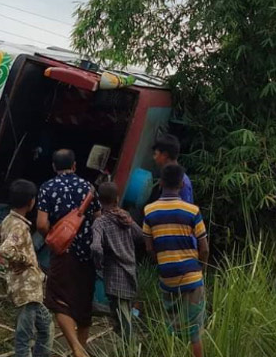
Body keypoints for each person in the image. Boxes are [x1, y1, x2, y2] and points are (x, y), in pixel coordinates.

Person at [37, 149, 101, 357]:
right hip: (88, 253)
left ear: (54, 167)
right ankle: (79, 351)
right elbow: (99, 220)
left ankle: (76, 349)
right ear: (75, 166)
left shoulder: (47, 187)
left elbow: (41, 224)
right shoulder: (89, 189)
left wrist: (55, 236)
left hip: (63, 253)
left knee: (59, 301)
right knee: (83, 306)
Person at [143, 164, 209, 357]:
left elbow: (149, 247)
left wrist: (163, 264)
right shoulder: (192, 211)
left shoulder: (149, 211)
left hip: (168, 279)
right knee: (195, 331)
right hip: (192, 277)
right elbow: (204, 248)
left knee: (172, 327)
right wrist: (200, 269)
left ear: (161, 183)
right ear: (181, 184)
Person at [0, 179, 54, 357]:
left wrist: (14, 262)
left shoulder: (9, 220)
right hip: (26, 288)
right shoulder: (19, 226)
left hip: (31, 289)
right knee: (24, 337)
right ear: (31, 202)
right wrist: (24, 260)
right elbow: (5, 249)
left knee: (46, 326)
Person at [90, 181, 143, 342]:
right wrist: (131, 221)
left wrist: (98, 264)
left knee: (122, 316)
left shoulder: (100, 222)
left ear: (99, 200)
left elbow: (95, 247)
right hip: (130, 270)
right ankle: (126, 346)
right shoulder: (125, 217)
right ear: (117, 199)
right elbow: (141, 236)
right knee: (122, 311)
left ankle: (130, 348)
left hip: (114, 273)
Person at [151, 134, 194, 203]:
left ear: (165, 155)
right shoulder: (166, 175)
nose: (154, 158)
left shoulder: (183, 182)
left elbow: (186, 210)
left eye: (155, 154)